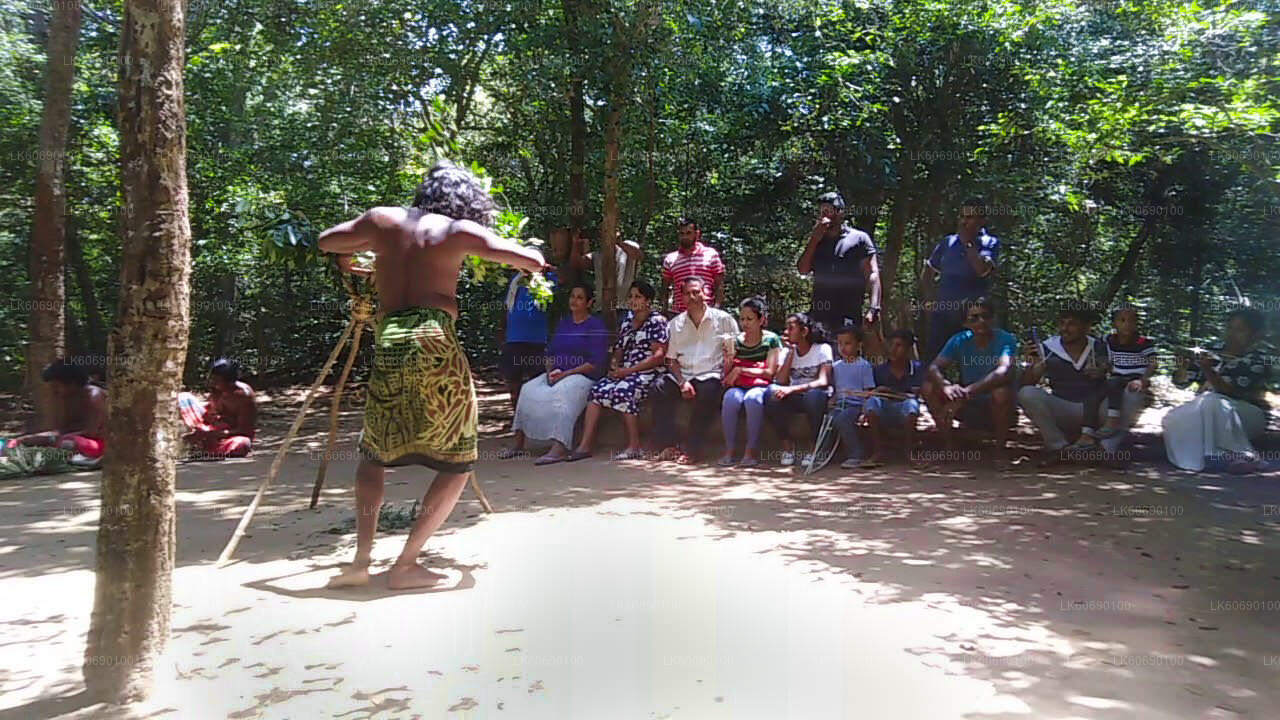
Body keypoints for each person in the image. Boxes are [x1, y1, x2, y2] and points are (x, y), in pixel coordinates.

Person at [318, 161, 547, 590]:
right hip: (435, 341)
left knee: (373, 452)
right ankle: (405, 565)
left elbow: (327, 241)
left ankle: (360, 562)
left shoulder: (382, 220)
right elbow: (531, 260)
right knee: (460, 458)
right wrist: (519, 257)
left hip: (390, 339)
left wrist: (356, 257)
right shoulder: (457, 230)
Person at [501, 282, 610, 465]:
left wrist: (567, 374)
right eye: (572, 296)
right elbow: (551, 353)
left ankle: (559, 447)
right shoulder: (564, 323)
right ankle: (519, 443)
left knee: (564, 393)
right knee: (527, 389)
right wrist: (550, 372)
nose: (574, 300)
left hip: (583, 376)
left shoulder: (595, 326)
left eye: (580, 298)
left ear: (589, 303)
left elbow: (595, 363)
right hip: (557, 373)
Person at [566, 280, 669, 461]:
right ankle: (585, 445)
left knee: (623, 391)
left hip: (647, 371)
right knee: (597, 390)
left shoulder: (657, 321)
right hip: (625, 370)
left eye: (638, 297)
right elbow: (619, 348)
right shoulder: (627, 321)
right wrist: (615, 364)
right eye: (631, 296)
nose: (633, 300)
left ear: (648, 301)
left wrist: (628, 372)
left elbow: (658, 356)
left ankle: (634, 445)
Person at [1163, 308, 1273, 473]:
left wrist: (1208, 370)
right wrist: (1182, 368)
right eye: (1230, 328)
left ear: (1255, 334)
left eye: (1240, 330)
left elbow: (1229, 391)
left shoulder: (1260, 358)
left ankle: (1239, 456)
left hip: (1246, 414)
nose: (1232, 334)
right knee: (1174, 417)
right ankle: (1195, 461)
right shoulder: (1213, 350)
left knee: (1213, 401)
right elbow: (1181, 383)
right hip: (1206, 409)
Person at [651, 277, 739, 464]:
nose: (692, 297)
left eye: (696, 292)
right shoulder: (675, 324)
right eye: (687, 293)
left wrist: (728, 368)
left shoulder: (724, 320)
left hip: (711, 374)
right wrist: (682, 382)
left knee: (709, 391)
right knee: (659, 387)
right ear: (681, 297)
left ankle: (693, 449)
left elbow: (734, 352)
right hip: (684, 375)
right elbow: (671, 359)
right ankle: (669, 445)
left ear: (705, 293)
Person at [921, 297, 1018, 461]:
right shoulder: (959, 340)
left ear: (992, 319)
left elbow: (1003, 371)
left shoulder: (1005, 339)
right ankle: (949, 446)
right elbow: (934, 367)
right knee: (928, 387)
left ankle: (999, 451)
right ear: (965, 323)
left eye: (985, 316)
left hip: (995, 403)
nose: (981, 321)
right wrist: (945, 386)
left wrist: (967, 392)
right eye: (974, 318)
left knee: (1001, 393)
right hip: (968, 402)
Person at [1018, 306, 1116, 465]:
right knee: (1027, 393)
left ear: (1086, 327)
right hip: (1063, 407)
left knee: (1130, 394)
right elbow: (1027, 384)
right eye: (1062, 323)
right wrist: (1034, 366)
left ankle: (1106, 449)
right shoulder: (1047, 348)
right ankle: (1058, 448)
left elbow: (1113, 375)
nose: (1065, 328)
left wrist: (1101, 371)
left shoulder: (1100, 346)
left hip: (1096, 410)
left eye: (1072, 324)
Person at [921, 198, 1000, 362]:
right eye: (962, 217)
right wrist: (929, 301)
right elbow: (928, 271)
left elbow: (982, 270)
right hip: (943, 314)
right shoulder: (948, 242)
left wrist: (968, 244)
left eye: (970, 217)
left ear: (982, 221)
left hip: (973, 318)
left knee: (971, 362)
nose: (964, 222)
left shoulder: (990, 242)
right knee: (933, 361)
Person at [1070, 305, 1156, 449]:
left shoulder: (1142, 342)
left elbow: (1153, 363)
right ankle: (1087, 433)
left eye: (1131, 321)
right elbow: (1104, 359)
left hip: (1134, 377)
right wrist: (1099, 368)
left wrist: (1143, 380)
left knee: (1114, 383)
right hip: (1116, 376)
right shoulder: (1108, 340)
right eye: (1122, 320)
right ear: (1114, 323)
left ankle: (1112, 419)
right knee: (1092, 395)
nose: (1127, 324)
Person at [796, 192, 882, 334]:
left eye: (828, 211)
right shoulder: (817, 241)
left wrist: (874, 308)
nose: (825, 216)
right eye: (822, 212)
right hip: (819, 315)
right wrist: (814, 239)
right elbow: (803, 270)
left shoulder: (859, 239)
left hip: (848, 314)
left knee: (846, 347)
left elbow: (872, 274)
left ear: (840, 212)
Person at [718, 297, 784, 467]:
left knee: (752, 399)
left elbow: (769, 372)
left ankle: (751, 451)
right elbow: (727, 374)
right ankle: (729, 450)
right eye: (742, 319)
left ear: (761, 320)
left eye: (749, 319)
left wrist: (741, 370)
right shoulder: (736, 341)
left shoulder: (771, 339)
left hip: (761, 385)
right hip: (739, 385)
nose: (745, 323)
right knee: (730, 399)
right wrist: (728, 358)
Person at [764, 313, 833, 467]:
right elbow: (780, 381)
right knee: (770, 393)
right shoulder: (787, 351)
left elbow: (823, 381)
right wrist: (790, 353)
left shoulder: (822, 349)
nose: (786, 332)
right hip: (795, 397)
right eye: (785, 328)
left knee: (813, 397)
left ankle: (814, 447)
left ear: (804, 331)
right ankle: (787, 446)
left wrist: (792, 390)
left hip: (816, 396)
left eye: (791, 328)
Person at [6, 359, 107, 463]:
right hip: (77, 441)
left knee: (67, 443)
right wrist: (25, 439)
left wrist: (52, 439)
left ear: (71, 383)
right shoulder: (69, 400)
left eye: (56, 386)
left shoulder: (94, 396)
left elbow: (91, 432)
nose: (54, 391)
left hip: (102, 445)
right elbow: (62, 430)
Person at [862, 329, 925, 468]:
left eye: (899, 345)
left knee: (911, 405)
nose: (893, 350)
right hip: (884, 409)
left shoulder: (916, 368)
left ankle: (909, 451)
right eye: (891, 345)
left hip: (903, 409)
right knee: (872, 403)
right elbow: (871, 393)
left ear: (908, 349)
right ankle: (877, 452)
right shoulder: (879, 370)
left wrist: (890, 391)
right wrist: (877, 392)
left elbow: (914, 395)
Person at [500, 267, 556, 417]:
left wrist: (547, 269)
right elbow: (507, 308)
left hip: (537, 341)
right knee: (513, 382)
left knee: (537, 382)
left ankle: (537, 418)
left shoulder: (548, 278)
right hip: (513, 339)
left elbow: (566, 276)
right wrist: (502, 334)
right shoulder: (516, 280)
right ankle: (518, 418)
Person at [178, 358, 256, 459]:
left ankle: (205, 449)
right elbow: (211, 409)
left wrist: (213, 434)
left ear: (230, 382)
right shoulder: (216, 390)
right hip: (211, 426)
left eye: (217, 381)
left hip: (228, 434)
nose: (212, 383)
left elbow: (244, 430)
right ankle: (198, 444)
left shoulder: (244, 396)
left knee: (242, 444)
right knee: (184, 397)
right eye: (212, 379)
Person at [828, 324, 877, 469]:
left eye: (847, 343)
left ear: (858, 345)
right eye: (840, 343)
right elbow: (835, 389)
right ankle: (825, 453)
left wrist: (864, 410)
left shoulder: (864, 365)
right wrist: (832, 399)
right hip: (840, 404)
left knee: (843, 419)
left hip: (856, 405)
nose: (843, 347)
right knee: (828, 420)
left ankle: (856, 454)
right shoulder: (836, 366)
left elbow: (869, 391)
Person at [659, 218, 725, 315]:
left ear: (696, 234)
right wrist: (664, 310)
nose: (685, 237)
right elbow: (665, 287)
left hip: (706, 312)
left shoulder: (711, 254)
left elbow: (719, 284)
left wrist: (717, 308)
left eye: (688, 233)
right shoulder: (670, 259)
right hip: (679, 314)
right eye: (682, 233)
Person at [569, 227, 642, 312]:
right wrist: (575, 243)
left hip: (623, 308)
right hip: (601, 308)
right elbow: (577, 263)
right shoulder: (597, 255)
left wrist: (617, 241)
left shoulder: (627, 249)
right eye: (603, 232)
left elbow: (638, 255)